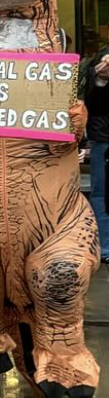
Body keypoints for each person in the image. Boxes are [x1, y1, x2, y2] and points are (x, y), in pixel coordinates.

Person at [86, 46, 109, 266]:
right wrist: (102, 79)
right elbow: (94, 104)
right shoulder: (103, 59)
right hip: (104, 138)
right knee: (101, 194)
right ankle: (106, 247)